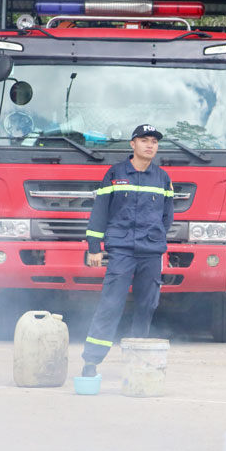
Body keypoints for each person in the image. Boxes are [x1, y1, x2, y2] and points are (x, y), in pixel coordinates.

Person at [80, 124, 174, 377]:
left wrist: (156, 239)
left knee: (147, 305)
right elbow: (100, 210)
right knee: (111, 304)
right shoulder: (115, 173)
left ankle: (137, 361)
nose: (150, 145)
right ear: (132, 144)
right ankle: (91, 361)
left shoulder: (162, 178)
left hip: (150, 252)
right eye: (144, 140)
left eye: (154, 141)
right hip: (121, 250)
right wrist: (93, 247)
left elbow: (167, 217)